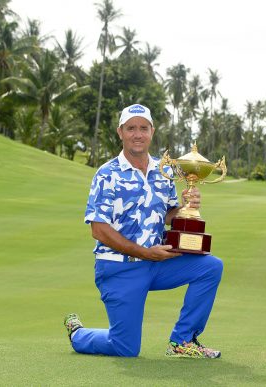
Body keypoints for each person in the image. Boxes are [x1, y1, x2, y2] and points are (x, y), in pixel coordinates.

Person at [63, 103, 223, 358]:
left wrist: (185, 208)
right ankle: (78, 334)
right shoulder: (107, 174)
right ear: (120, 132)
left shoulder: (165, 171)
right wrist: (145, 253)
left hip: (157, 264)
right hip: (119, 268)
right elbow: (99, 230)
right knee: (124, 348)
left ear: (152, 131)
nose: (137, 134)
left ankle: (182, 341)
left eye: (143, 128)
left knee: (211, 267)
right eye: (131, 128)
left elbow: (169, 215)